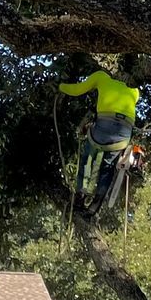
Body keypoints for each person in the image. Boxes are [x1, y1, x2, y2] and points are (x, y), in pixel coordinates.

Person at [60, 66, 141, 211]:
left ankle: (81, 193)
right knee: (107, 168)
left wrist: (60, 86)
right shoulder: (135, 91)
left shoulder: (101, 77)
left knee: (87, 159)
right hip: (123, 133)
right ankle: (96, 204)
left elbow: (77, 90)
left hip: (104, 125)